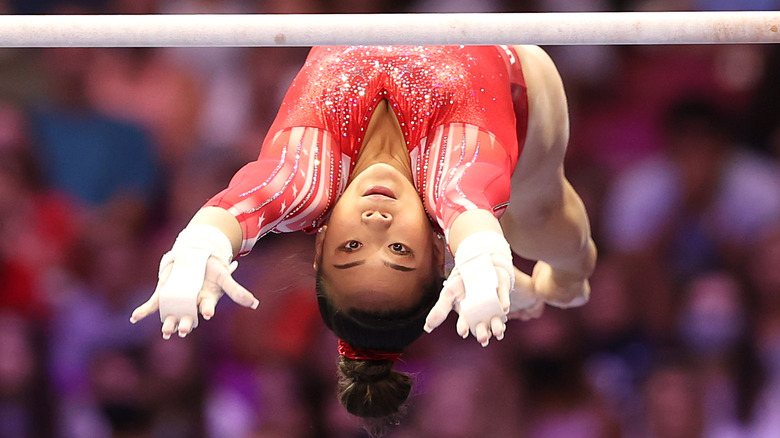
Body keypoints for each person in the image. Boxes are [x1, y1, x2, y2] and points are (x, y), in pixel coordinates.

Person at [130, 45, 596, 430]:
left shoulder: (308, 179)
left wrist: (198, 246)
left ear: (321, 240)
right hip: (524, 104)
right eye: (399, 250)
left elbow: (243, 203)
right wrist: (479, 252)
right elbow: (468, 201)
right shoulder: (448, 175)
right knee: (542, 224)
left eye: (351, 248)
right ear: (437, 247)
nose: (376, 222)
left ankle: (491, 280)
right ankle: (566, 285)